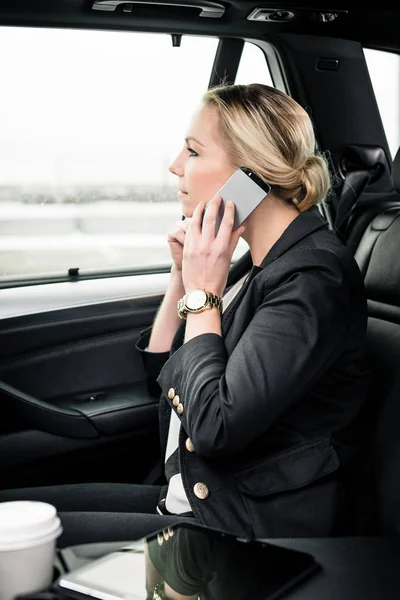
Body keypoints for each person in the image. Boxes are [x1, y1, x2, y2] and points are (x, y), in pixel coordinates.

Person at [0, 83, 369, 546]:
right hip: (194, 497)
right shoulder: (252, 265)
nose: (175, 165)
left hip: (241, 528)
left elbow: (215, 426)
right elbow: (164, 371)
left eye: (193, 151)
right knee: (13, 507)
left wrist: (203, 292)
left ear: (250, 175)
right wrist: (182, 275)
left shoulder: (313, 278)